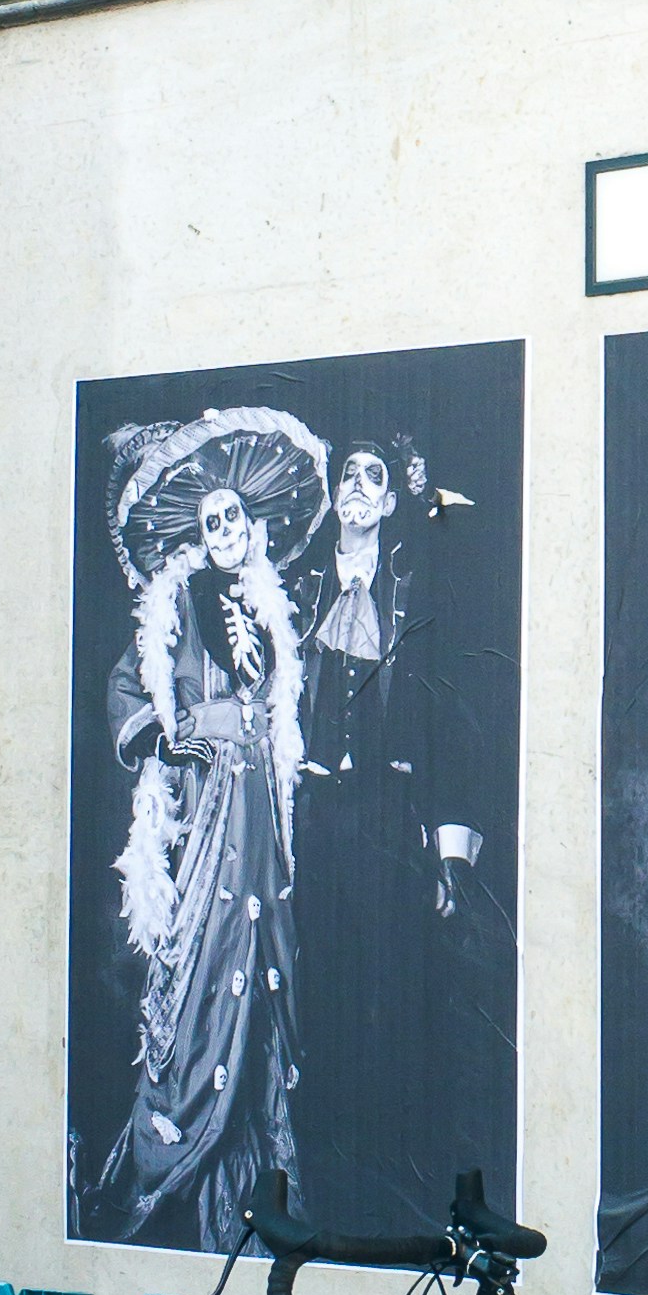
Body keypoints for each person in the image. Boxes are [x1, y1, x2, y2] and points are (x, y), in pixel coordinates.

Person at [94, 407, 331, 1252]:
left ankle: (251, 1195)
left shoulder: (274, 606)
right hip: (205, 830)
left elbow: (284, 712)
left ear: (252, 524)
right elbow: (132, 690)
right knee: (197, 986)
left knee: (264, 979)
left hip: (261, 819)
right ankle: (172, 1169)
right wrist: (172, 728)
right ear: (197, 534)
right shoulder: (179, 601)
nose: (226, 533)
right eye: (212, 522)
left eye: (235, 518)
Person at [283, 430, 499, 1224]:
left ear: (393, 498)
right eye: (350, 474)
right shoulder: (299, 585)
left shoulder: (415, 593)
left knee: (389, 993)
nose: (360, 487)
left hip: (388, 817)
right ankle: (317, 1175)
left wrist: (448, 852)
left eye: (375, 476)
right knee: (314, 988)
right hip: (311, 820)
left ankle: (385, 1184)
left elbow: (452, 722)